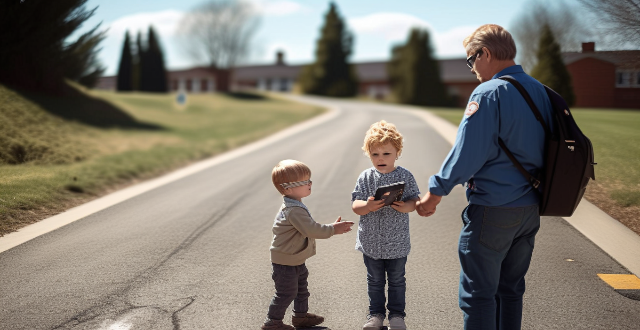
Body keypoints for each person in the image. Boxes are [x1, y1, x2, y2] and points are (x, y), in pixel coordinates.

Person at [416, 24, 554, 330]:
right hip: (530, 209)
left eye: (471, 60)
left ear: (486, 53)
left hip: (493, 209)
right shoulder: (539, 91)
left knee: (479, 296)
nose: (472, 69)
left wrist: (434, 193)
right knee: (511, 291)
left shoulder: (489, 92)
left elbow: (468, 152)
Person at [262, 159, 354, 330]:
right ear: (287, 188)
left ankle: (300, 316)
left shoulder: (295, 205)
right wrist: (333, 229)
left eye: (309, 179)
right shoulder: (294, 210)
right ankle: (272, 322)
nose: (310, 183)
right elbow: (312, 230)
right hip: (285, 262)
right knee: (286, 293)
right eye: (304, 182)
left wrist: (331, 227)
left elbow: (308, 227)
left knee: (302, 289)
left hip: (294, 259)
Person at [351, 121, 421, 330]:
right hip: (371, 241)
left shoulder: (405, 176)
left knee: (397, 280)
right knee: (374, 281)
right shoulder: (365, 177)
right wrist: (368, 205)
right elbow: (356, 206)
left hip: (396, 241)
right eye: (375, 154)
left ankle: (397, 316)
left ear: (397, 152)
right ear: (368, 154)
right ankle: (376, 315)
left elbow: (414, 202)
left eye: (386, 154)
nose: (380, 159)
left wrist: (404, 206)